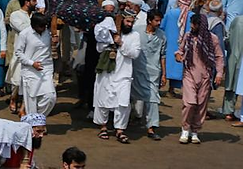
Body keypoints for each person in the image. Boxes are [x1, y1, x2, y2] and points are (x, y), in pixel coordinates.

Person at [94, 10, 142, 143]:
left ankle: (120, 130)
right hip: (106, 73)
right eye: (127, 21)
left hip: (124, 74)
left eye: (132, 22)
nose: (130, 24)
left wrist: (121, 43)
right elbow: (99, 48)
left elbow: (135, 53)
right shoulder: (109, 32)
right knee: (102, 100)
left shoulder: (135, 35)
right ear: (121, 21)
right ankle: (103, 127)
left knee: (123, 102)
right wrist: (110, 42)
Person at [175, 13, 224, 143]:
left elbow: (219, 57)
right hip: (189, 74)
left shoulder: (212, 39)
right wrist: (179, 56)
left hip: (205, 76)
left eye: (194, 24)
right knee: (190, 103)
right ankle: (185, 130)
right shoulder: (188, 36)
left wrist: (219, 74)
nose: (192, 26)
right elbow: (180, 50)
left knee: (201, 105)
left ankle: (195, 131)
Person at [132, 9, 167, 140]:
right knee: (129, 97)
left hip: (153, 72)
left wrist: (164, 74)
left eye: (160, 20)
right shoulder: (136, 31)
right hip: (135, 70)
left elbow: (163, 55)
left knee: (152, 99)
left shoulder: (162, 35)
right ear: (149, 20)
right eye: (156, 20)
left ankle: (151, 128)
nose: (158, 23)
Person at [15, 13, 56, 117]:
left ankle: (38, 119)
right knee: (32, 100)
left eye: (45, 26)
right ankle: (34, 126)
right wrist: (32, 63)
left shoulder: (48, 32)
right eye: (41, 26)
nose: (43, 28)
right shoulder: (25, 34)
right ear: (34, 25)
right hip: (30, 72)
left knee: (50, 97)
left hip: (46, 69)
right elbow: (18, 53)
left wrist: (56, 42)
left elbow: (50, 48)